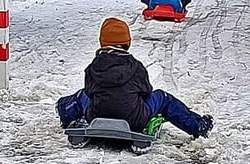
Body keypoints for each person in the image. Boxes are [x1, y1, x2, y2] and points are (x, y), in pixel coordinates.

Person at [56, 18, 214, 138]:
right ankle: (198, 126)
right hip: (135, 119)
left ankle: (63, 110)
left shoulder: (93, 67)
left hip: (96, 115)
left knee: (81, 96)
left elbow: (90, 92)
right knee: (164, 98)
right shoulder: (135, 66)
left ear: (102, 42)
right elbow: (146, 92)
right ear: (127, 42)